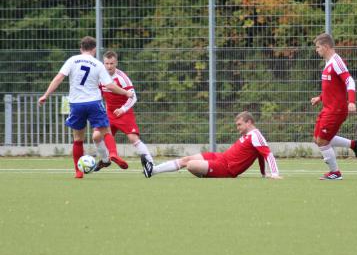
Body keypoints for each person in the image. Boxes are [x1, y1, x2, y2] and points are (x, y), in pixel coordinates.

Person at [38, 36, 133, 179]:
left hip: (76, 104)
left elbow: (58, 78)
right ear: (94, 49)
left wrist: (46, 95)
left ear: (81, 49)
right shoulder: (98, 64)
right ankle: (113, 154)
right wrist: (126, 92)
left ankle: (78, 171)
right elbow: (110, 86)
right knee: (106, 131)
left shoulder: (72, 60)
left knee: (78, 138)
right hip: (94, 102)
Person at [142, 111, 281, 179]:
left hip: (226, 168)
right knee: (187, 159)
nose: (237, 128)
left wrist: (274, 174)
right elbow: (259, 155)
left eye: (239, 125)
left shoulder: (256, 136)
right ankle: (152, 170)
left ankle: (208, 173)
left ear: (249, 122)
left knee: (190, 165)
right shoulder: (249, 136)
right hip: (221, 157)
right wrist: (263, 173)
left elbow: (267, 154)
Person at [311, 33, 357, 181]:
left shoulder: (336, 62)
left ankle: (335, 173)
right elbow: (332, 87)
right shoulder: (328, 62)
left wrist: (351, 101)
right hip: (327, 108)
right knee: (317, 139)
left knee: (322, 141)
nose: (317, 50)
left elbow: (349, 81)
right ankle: (353, 144)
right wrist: (319, 98)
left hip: (336, 110)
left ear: (326, 47)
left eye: (318, 47)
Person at [94, 50, 154, 173]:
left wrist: (123, 109)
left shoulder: (122, 78)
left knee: (133, 138)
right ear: (103, 63)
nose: (109, 66)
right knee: (96, 136)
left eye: (112, 63)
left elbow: (134, 97)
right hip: (109, 113)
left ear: (116, 63)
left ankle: (151, 164)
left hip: (124, 112)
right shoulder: (100, 77)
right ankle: (105, 160)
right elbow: (99, 94)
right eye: (107, 63)